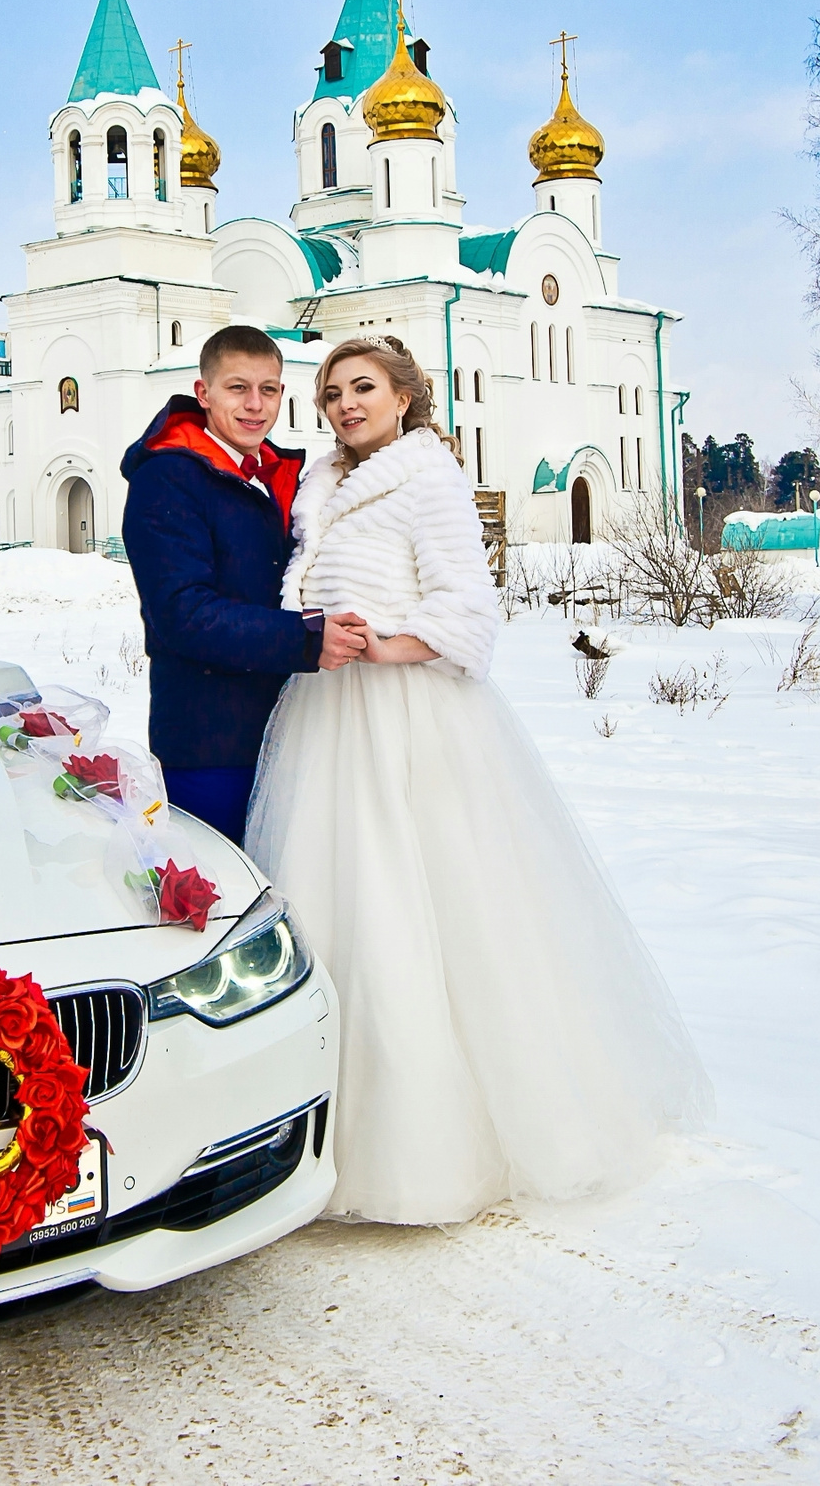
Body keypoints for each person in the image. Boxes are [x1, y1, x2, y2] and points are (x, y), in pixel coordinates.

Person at [246, 336, 710, 1224]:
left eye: (365, 388)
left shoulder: (429, 476)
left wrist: (386, 644)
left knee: (433, 913)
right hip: (326, 715)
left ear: (407, 395)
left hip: (407, 715)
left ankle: (438, 1149)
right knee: (343, 909)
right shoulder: (321, 484)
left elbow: (468, 606)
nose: (347, 404)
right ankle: (327, 1139)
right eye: (334, 391)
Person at [121, 324, 369, 844]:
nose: (255, 404)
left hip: (291, 731)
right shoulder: (167, 478)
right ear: (203, 393)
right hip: (211, 743)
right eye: (238, 388)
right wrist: (307, 638)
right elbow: (183, 613)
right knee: (225, 895)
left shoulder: (271, 475)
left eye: (270, 389)